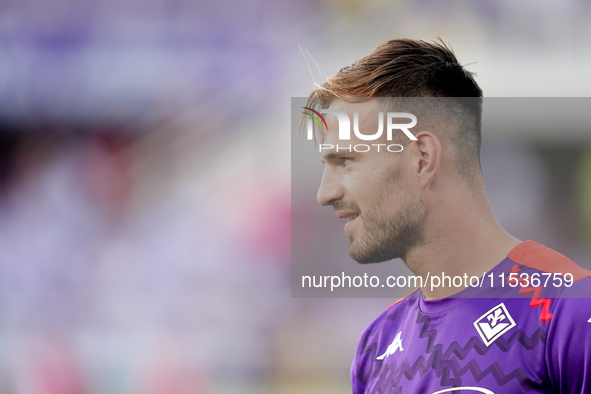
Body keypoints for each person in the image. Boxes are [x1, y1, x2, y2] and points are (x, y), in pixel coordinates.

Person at [303, 39, 591, 393]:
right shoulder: (377, 346)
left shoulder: (570, 310)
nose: (324, 193)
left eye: (345, 160)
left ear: (423, 159)